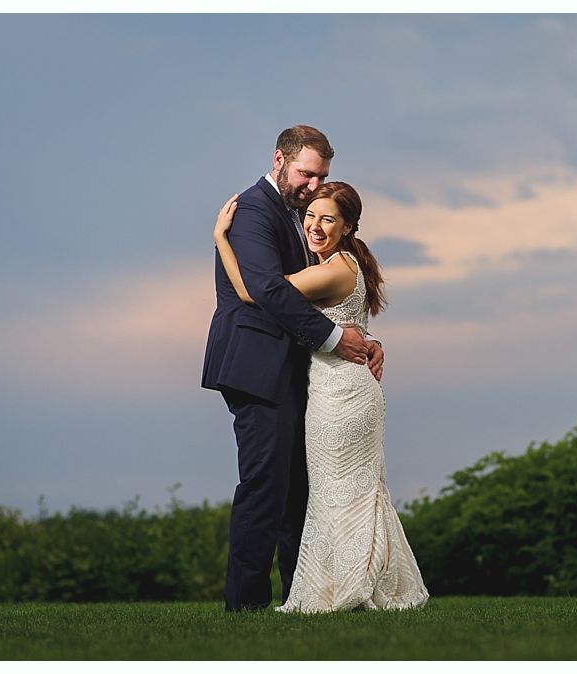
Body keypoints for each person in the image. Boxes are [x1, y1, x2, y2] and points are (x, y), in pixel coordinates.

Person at [213, 181, 429, 613]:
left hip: (339, 396)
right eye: (310, 215)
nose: (314, 224)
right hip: (346, 389)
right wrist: (370, 341)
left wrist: (221, 239)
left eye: (327, 218)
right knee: (350, 491)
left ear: (348, 226)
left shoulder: (333, 268)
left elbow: (257, 293)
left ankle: (351, 586)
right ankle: (362, 584)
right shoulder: (347, 263)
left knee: (337, 492)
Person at [201, 125, 383, 611]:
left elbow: (326, 291)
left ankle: (306, 597)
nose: (311, 184)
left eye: (321, 176)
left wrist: (361, 337)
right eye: (305, 173)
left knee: (298, 491)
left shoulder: (302, 215)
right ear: (279, 159)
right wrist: (334, 338)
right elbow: (267, 289)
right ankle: (247, 605)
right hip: (256, 365)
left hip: (299, 370)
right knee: (266, 486)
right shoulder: (254, 210)